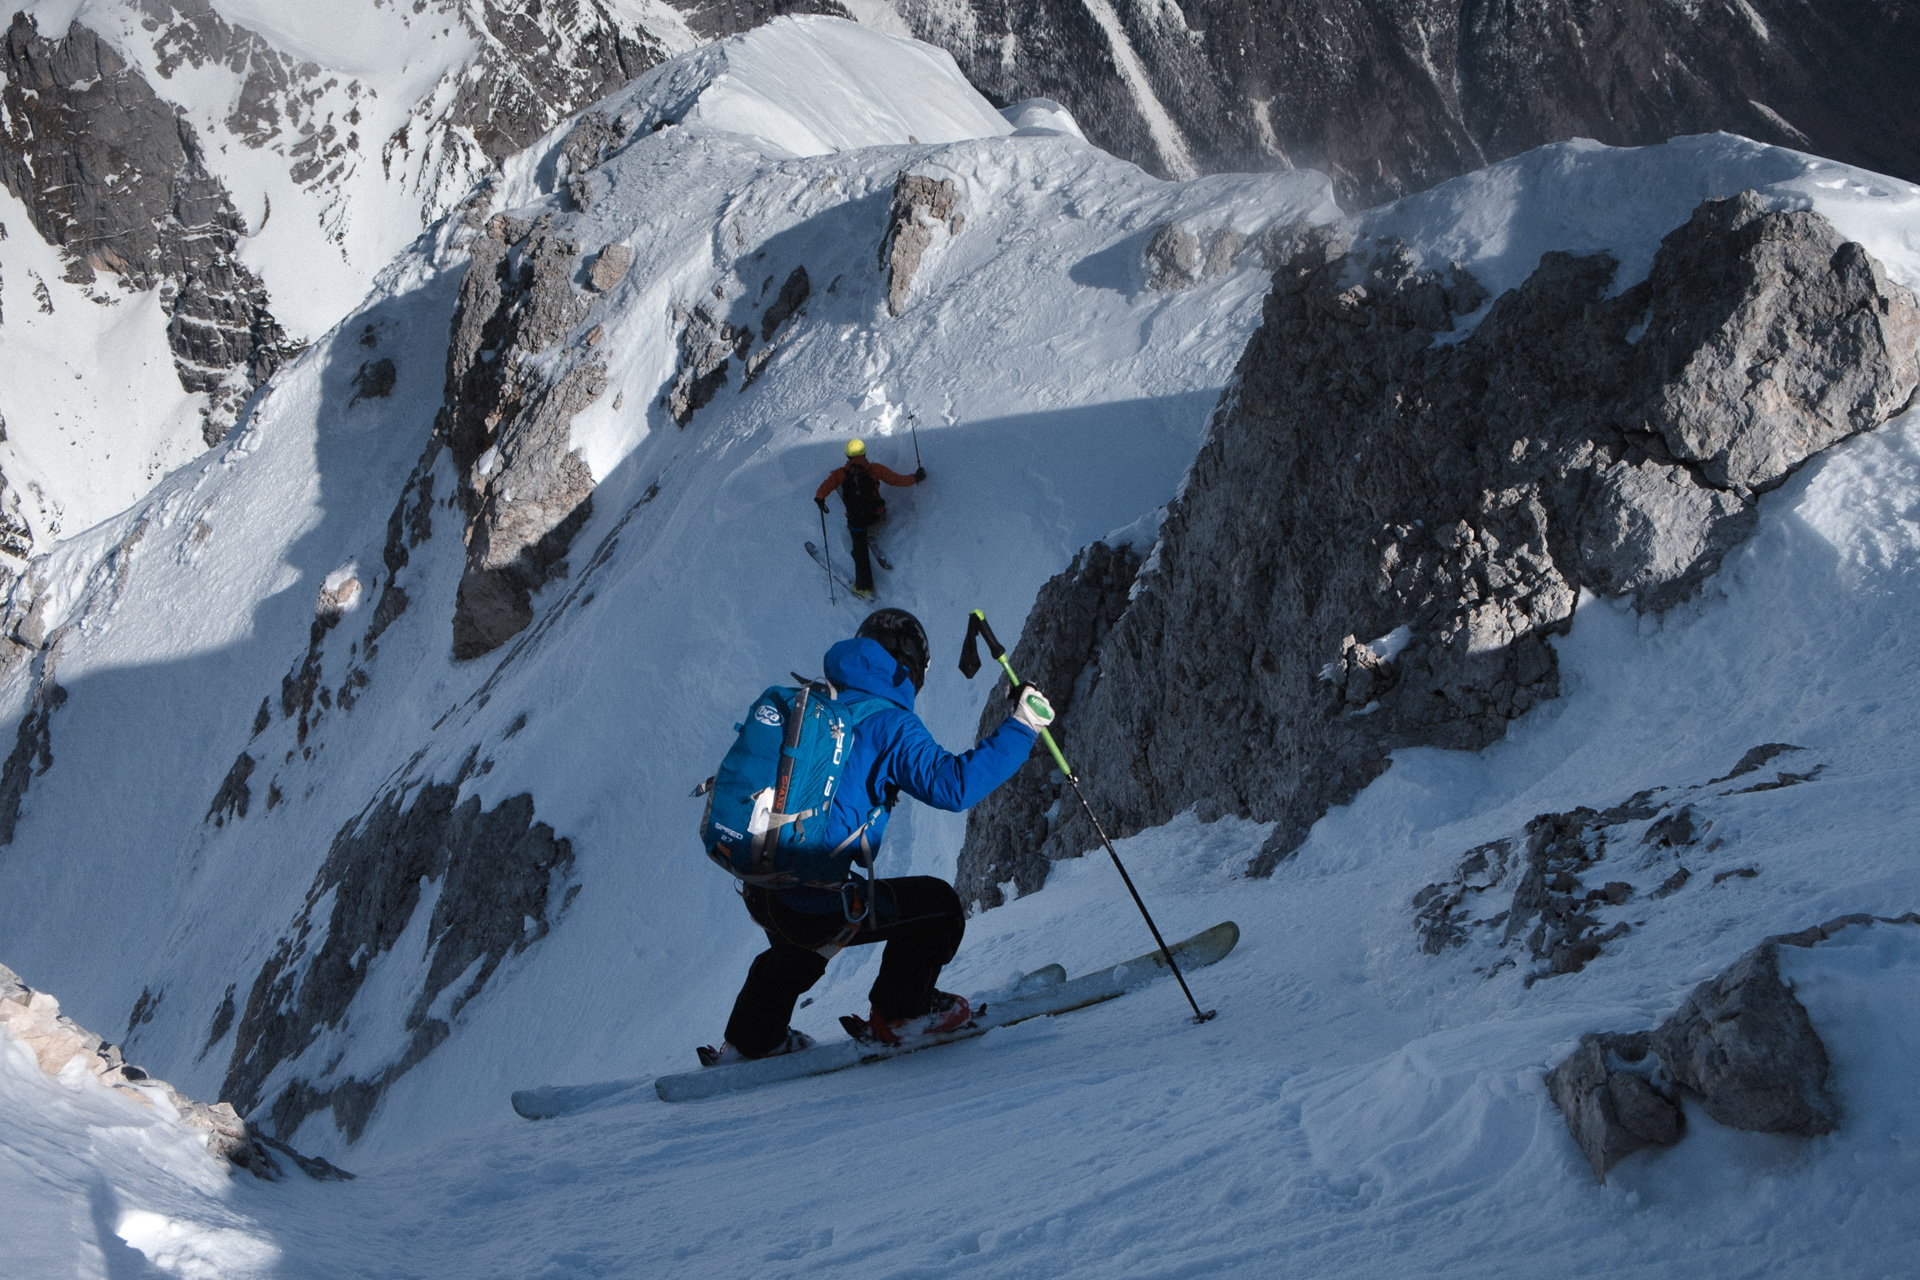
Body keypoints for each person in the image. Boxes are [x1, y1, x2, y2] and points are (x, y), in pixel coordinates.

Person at [709, 608, 1056, 1062]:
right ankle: (903, 1014)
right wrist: (1023, 726)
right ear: (910, 667)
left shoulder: (820, 705)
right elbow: (954, 786)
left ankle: (753, 1036)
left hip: (762, 883)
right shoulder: (890, 723)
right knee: (939, 906)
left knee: (802, 940)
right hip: (810, 899)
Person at [814, 438, 924, 598]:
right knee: (870, 519)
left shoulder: (840, 474)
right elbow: (896, 480)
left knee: (860, 553)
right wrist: (916, 477)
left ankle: (864, 588)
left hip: (856, 521)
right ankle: (872, 528)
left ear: (847, 455)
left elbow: (821, 491)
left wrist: (820, 499)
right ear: (864, 453)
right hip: (875, 516)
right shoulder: (875, 469)